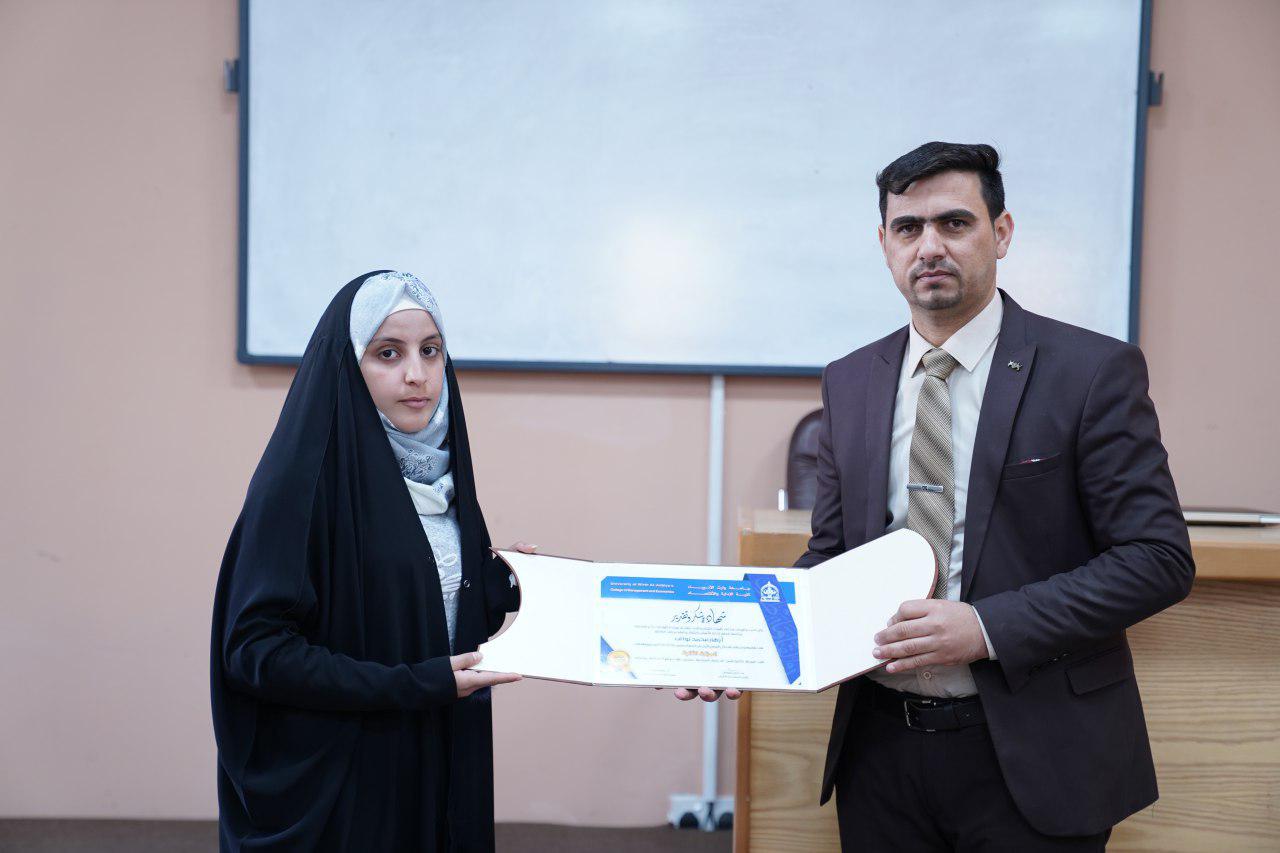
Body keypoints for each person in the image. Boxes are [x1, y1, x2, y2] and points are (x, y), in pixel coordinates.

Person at [683, 142, 1195, 851]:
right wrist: (735, 645)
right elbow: (831, 557)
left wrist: (985, 626)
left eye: (954, 223)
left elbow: (1157, 558)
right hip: (880, 752)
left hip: (1036, 751)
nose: (929, 246)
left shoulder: (1091, 371)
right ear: (885, 245)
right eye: (908, 228)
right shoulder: (851, 380)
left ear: (1001, 233)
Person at [211, 270, 529, 852]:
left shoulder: (445, 479)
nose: (417, 374)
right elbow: (255, 652)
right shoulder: (298, 485)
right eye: (388, 353)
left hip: (434, 758)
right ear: (347, 365)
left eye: (430, 350)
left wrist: (504, 586)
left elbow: (410, 605)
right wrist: (412, 684)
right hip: (343, 786)